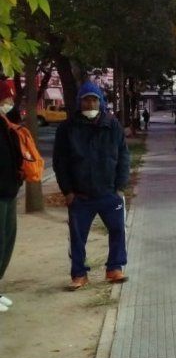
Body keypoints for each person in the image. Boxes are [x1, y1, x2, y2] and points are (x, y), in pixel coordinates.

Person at [53, 82, 131, 290]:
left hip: (109, 193)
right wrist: (68, 191)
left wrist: (120, 187)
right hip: (80, 196)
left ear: (101, 102)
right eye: (86, 99)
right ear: (79, 102)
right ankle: (79, 274)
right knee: (77, 238)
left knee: (118, 231)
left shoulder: (112, 126)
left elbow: (124, 156)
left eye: (94, 99)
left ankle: (114, 268)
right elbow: (60, 162)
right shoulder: (67, 128)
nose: (90, 103)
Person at [0, 85, 23, 312]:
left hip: (9, 192)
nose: (9, 103)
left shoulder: (7, 125)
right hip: (1, 193)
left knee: (7, 241)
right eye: (5, 99)